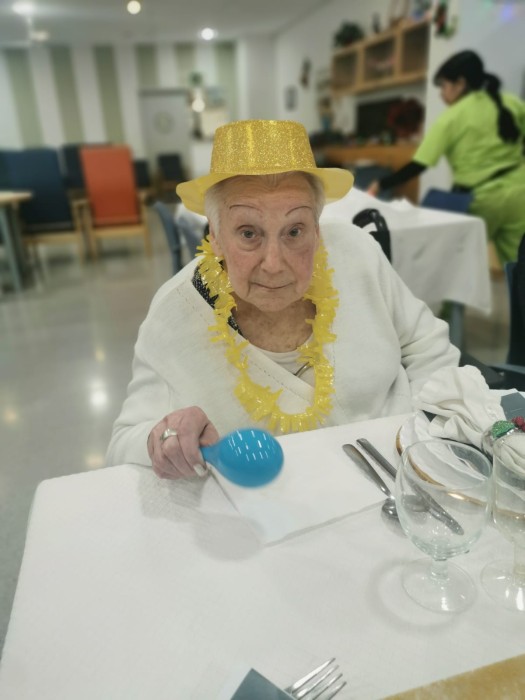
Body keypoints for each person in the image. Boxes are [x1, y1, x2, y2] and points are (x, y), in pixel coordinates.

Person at [106, 119, 460, 479]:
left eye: (294, 231)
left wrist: (417, 446)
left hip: (398, 474)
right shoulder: (174, 314)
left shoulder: (357, 254)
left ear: (317, 230)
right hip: (261, 504)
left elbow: (429, 349)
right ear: (215, 236)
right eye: (248, 233)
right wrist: (165, 438)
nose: (273, 264)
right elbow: (122, 444)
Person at [368, 50, 525, 265]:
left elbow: (418, 165)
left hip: (482, 199)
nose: (441, 93)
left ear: (460, 83)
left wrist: (381, 183)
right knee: (519, 265)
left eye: (443, 85)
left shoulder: (451, 117)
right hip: (520, 192)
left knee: (453, 262)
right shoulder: (511, 102)